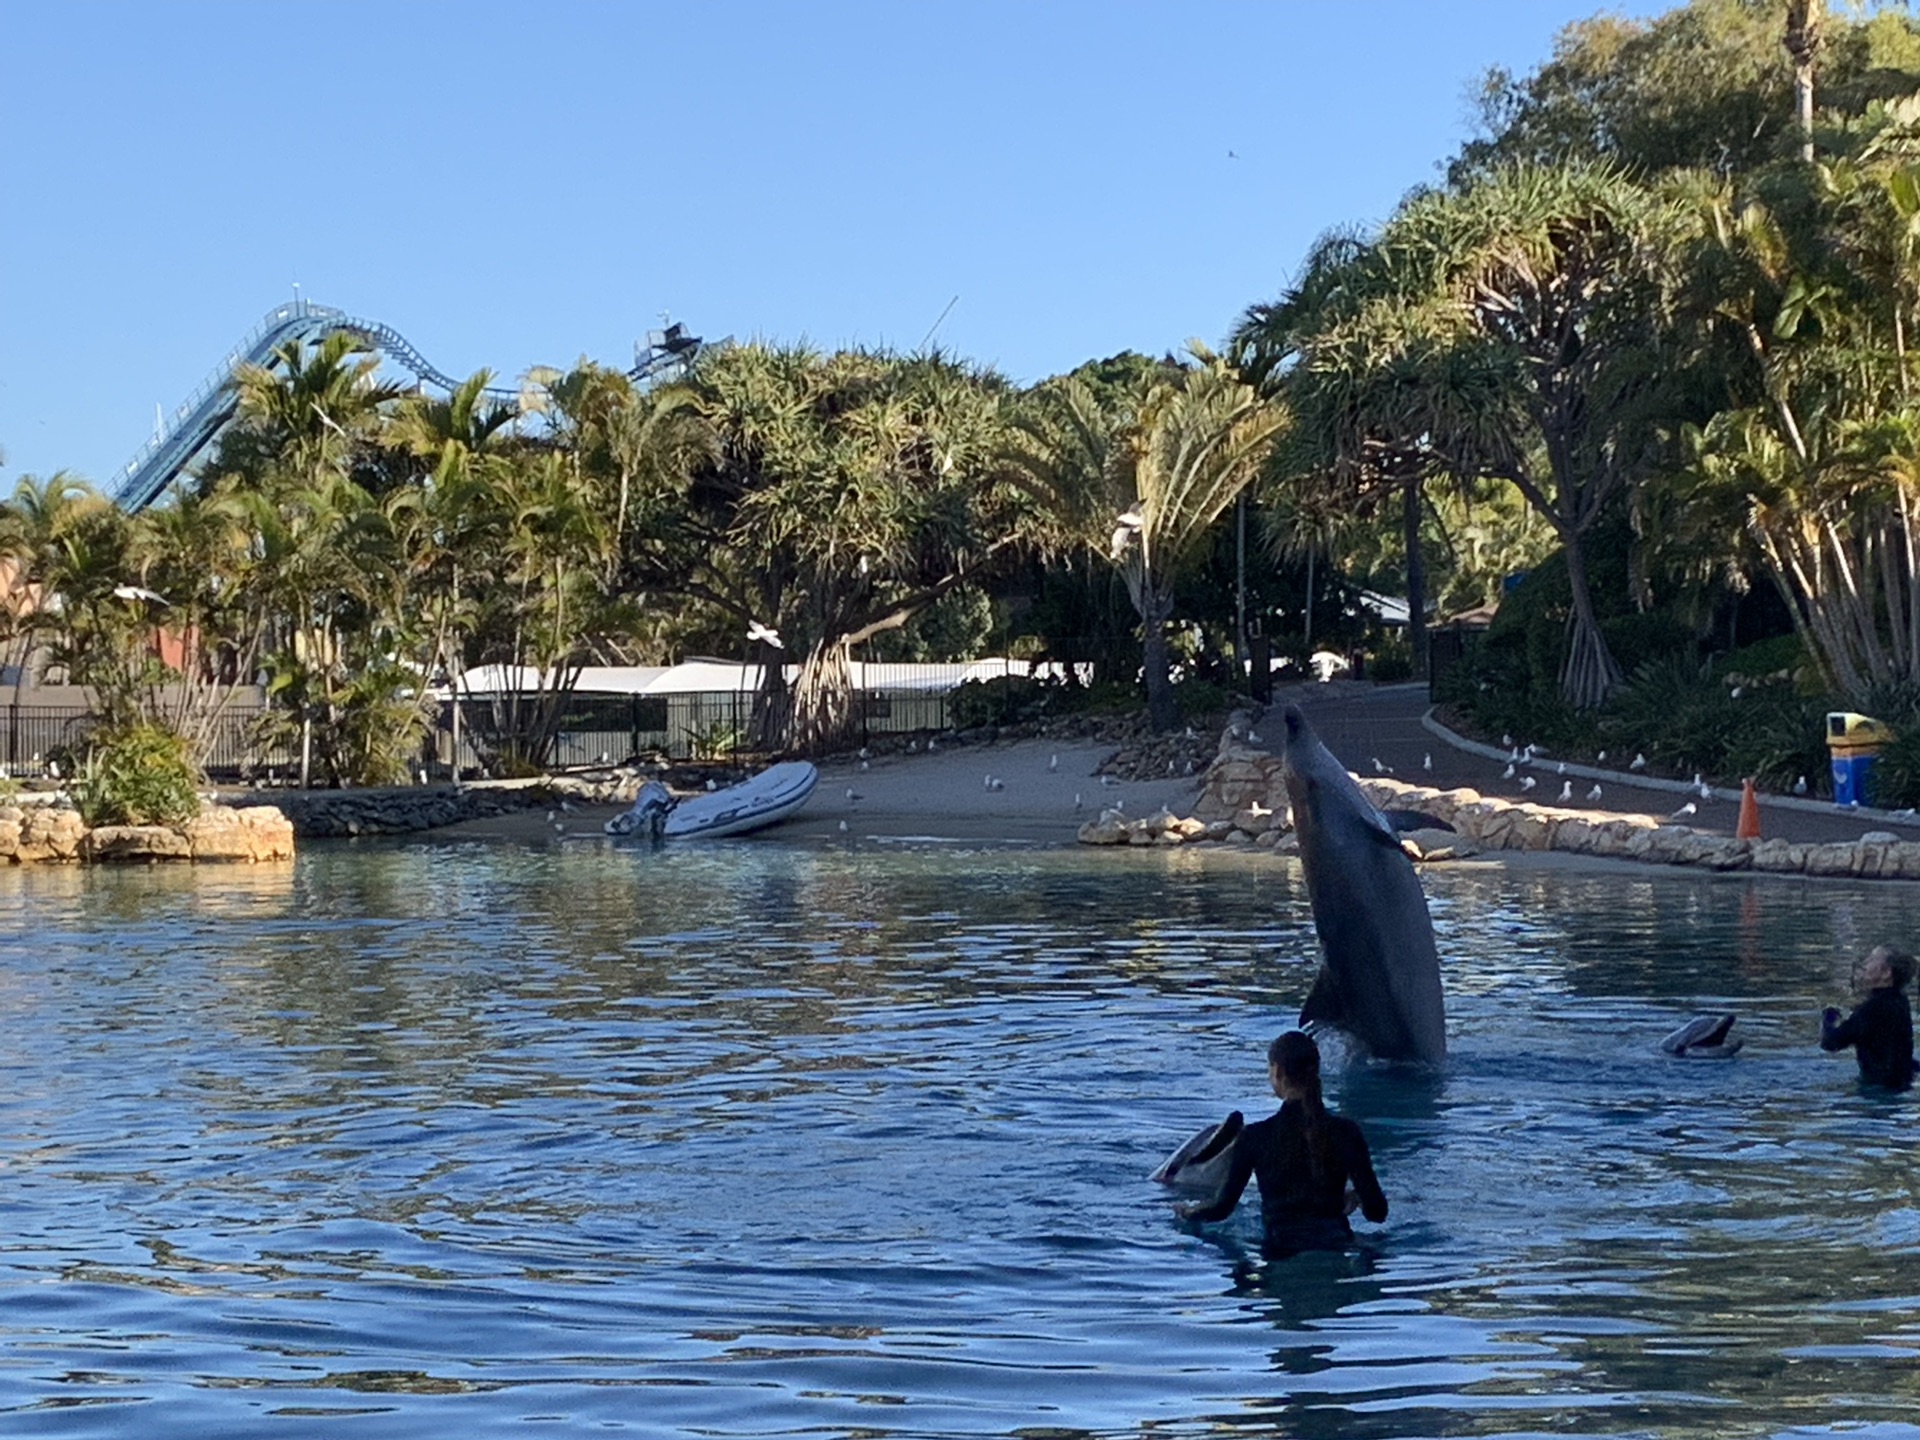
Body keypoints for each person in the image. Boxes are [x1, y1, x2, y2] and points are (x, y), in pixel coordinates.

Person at [1176, 1030, 1387, 1256]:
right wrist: (1356, 1197)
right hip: (1336, 1249)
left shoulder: (1254, 1136)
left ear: (1276, 1071)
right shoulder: (1346, 1132)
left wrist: (1186, 1212)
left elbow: (1221, 1209)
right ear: (1316, 1071)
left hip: (1280, 1256)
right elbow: (1377, 1213)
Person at [1821, 944, 1918, 1090]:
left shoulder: (1871, 1009)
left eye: (1871, 960)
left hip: (1878, 1087)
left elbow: (1831, 1042)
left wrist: (1829, 1017)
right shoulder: (1901, 1002)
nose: (1864, 964)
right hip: (1903, 1081)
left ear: (1885, 973)